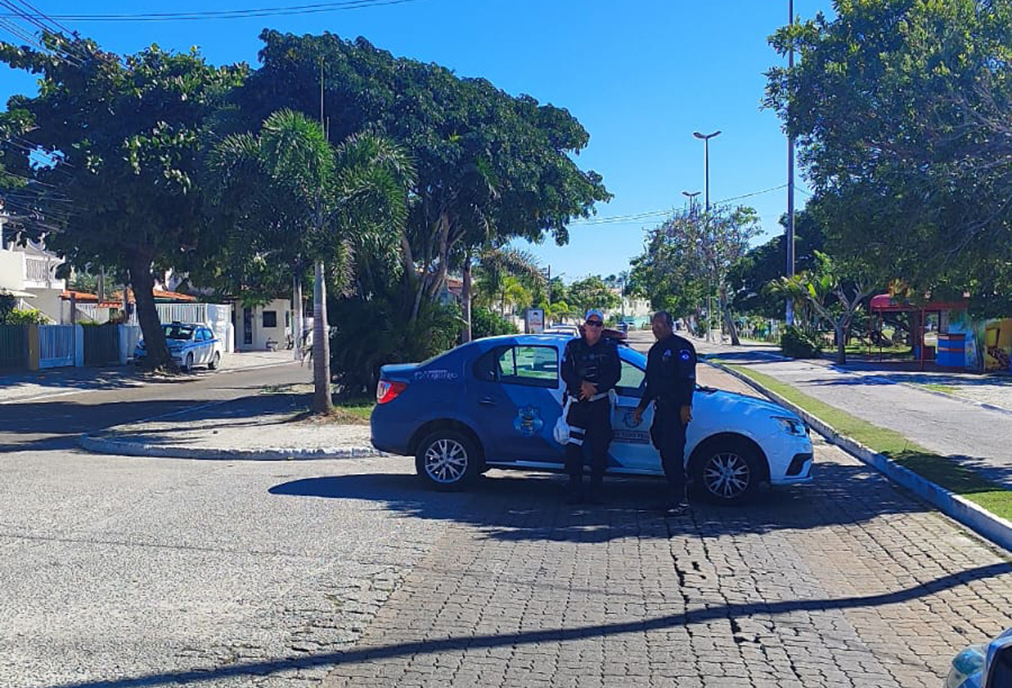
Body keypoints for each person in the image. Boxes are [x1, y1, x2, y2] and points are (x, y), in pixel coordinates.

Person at [633, 310, 696, 515]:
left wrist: (686, 405)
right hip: (661, 409)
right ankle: (672, 495)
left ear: (670, 325)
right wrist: (641, 407)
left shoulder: (682, 348)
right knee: (662, 447)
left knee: (673, 453)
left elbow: (687, 379)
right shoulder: (655, 351)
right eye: (653, 324)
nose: (655, 328)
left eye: (659, 324)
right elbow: (652, 384)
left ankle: (680, 499)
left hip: (676, 410)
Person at [560, 308, 621, 504]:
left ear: (602, 327)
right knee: (574, 447)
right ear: (584, 325)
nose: (594, 327)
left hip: (599, 404)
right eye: (591, 323)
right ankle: (574, 488)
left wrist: (596, 388)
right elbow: (565, 371)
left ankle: (596, 490)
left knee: (599, 448)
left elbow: (615, 374)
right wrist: (581, 385)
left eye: (598, 324)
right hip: (578, 404)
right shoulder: (572, 346)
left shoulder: (610, 348)